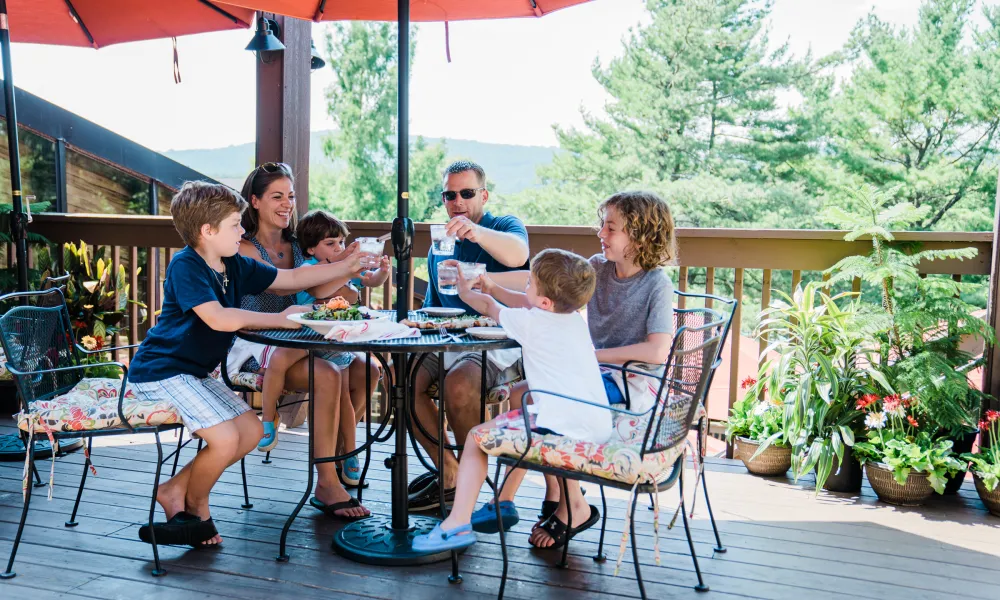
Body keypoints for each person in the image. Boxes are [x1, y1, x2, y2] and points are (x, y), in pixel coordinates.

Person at [129, 181, 363, 547]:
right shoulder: (186, 266)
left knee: (250, 432)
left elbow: (293, 278)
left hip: (193, 373)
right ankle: (195, 506)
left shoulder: (234, 264)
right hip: (162, 371)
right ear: (208, 231)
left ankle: (174, 489)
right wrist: (284, 319)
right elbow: (219, 318)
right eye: (236, 224)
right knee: (224, 440)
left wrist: (348, 265)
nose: (243, 230)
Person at [468, 190, 676, 548]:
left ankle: (512, 500)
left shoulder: (656, 283)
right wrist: (492, 285)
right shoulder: (597, 268)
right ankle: (559, 499)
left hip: (630, 385)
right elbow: (542, 300)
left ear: (640, 236)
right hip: (595, 378)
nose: (601, 233)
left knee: (536, 401)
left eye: (611, 228)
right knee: (527, 395)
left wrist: (592, 356)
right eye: (603, 225)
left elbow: (657, 351)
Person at [411, 249, 611, 553]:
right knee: (520, 403)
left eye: (529, 283)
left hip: (563, 430)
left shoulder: (531, 324)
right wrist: (492, 286)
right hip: (593, 421)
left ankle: (457, 523)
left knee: (477, 439)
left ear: (544, 302)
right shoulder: (571, 318)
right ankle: (503, 501)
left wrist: (466, 291)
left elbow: (490, 307)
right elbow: (524, 301)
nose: (524, 288)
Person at [232, 162, 376, 518]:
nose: (287, 204)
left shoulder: (299, 244)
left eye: (291, 196)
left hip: (299, 337)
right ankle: (326, 481)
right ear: (255, 201)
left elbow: (321, 290)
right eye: (277, 196)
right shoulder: (244, 249)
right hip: (257, 339)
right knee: (328, 373)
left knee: (367, 369)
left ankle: (341, 451)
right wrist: (344, 268)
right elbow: (293, 283)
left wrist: (352, 275)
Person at [408, 160, 531, 512]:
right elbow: (433, 306)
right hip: (450, 337)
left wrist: (476, 233)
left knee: (460, 385)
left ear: (484, 195)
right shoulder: (439, 247)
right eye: (450, 194)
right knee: (401, 379)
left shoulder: (503, 226)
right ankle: (450, 471)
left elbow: (520, 257)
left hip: (498, 338)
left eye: (466, 193)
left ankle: (471, 481)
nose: (457, 201)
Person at [255, 209, 390, 490]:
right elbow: (320, 291)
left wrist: (381, 273)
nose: (339, 248)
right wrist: (347, 268)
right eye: (331, 244)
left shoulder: (347, 269)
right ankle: (269, 419)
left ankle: (349, 450)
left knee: (344, 392)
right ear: (310, 249)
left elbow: (368, 282)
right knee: (279, 358)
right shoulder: (308, 269)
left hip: (332, 339)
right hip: (303, 334)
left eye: (341, 242)